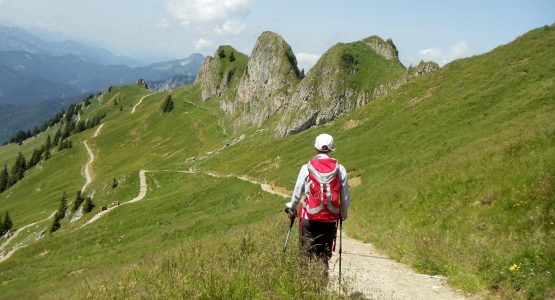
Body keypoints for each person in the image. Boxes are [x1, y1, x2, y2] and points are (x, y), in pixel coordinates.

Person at [284, 133, 350, 275]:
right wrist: (343, 214)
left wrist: (292, 206)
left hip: (309, 218)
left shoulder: (306, 167)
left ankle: (304, 286)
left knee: (306, 253)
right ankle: (321, 286)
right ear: (331, 149)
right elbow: (344, 197)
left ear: (316, 148)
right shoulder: (340, 169)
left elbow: (298, 192)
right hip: (330, 219)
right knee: (323, 256)